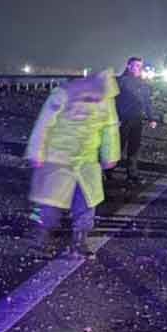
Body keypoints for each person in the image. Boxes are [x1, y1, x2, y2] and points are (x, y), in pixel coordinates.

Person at [25, 70, 120, 256]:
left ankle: (79, 241)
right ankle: (41, 239)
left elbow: (110, 128)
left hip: (87, 161)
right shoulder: (63, 94)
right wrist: (37, 152)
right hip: (58, 158)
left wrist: (110, 155)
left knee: (86, 203)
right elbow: (44, 124)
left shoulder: (106, 100)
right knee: (50, 203)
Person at [114, 56, 157, 184]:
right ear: (129, 66)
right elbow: (113, 100)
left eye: (140, 66)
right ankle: (107, 171)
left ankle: (132, 174)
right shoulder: (121, 81)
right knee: (117, 147)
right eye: (136, 65)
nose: (139, 68)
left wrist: (151, 118)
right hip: (123, 120)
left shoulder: (143, 83)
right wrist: (116, 118)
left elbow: (147, 102)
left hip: (137, 119)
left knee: (134, 148)